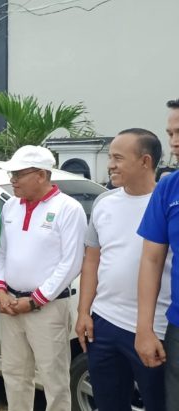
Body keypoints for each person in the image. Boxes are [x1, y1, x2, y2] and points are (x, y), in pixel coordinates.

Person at [75, 129, 168, 410]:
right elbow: (92, 260)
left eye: (118, 158)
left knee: (157, 403)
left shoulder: (166, 204)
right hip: (104, 324)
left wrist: (149, 328)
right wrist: (83, 312)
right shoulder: (104, 202)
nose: (110, 165)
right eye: (109, 157)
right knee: (108, 403)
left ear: (145, 161)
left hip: (155, 329)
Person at [0, 145, 86, 410]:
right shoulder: (11, 206)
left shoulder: (69, 208)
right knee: (14, 375)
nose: (13, 180)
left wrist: (35, 300)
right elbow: (2, 252)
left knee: (54, 380)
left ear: (42, 175)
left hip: (47, 308)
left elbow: (71, 263)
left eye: (19, 174)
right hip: (11, 304)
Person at [135, 98, 179, 411]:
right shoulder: (169, 189)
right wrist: (145, 329)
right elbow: (151, 260)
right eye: (170, 134)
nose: (174, 142)